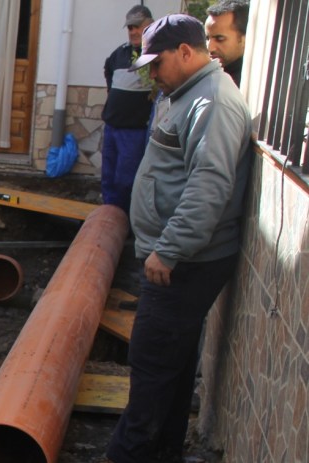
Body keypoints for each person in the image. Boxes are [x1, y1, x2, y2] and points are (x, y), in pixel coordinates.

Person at [106, 14, 253, 463]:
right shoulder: (187, 93)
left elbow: (209, 188)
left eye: (158, 62)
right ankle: (163, 450)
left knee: (150, 363)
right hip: (177, 255)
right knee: (173, 360)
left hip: (184, 261)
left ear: (186, 52)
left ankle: (126, 456)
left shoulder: (212, 104)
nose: (153, 73)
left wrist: (167, 251)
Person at [100, 5, 155, 214]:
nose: (132, 31)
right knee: (108, 176)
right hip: (112, 126)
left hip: (135, 130)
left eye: (137, 27)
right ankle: (108, 215)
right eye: (129, 27)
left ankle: (124, 219)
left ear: (149, 26)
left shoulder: (154, 57)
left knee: (126, 179)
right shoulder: (119, 54)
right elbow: (108, 70)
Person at [205, 0, 248, 86]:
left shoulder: (248, 81)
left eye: (220, 39)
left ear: (244, 40)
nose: (209, 48)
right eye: (207, 38)